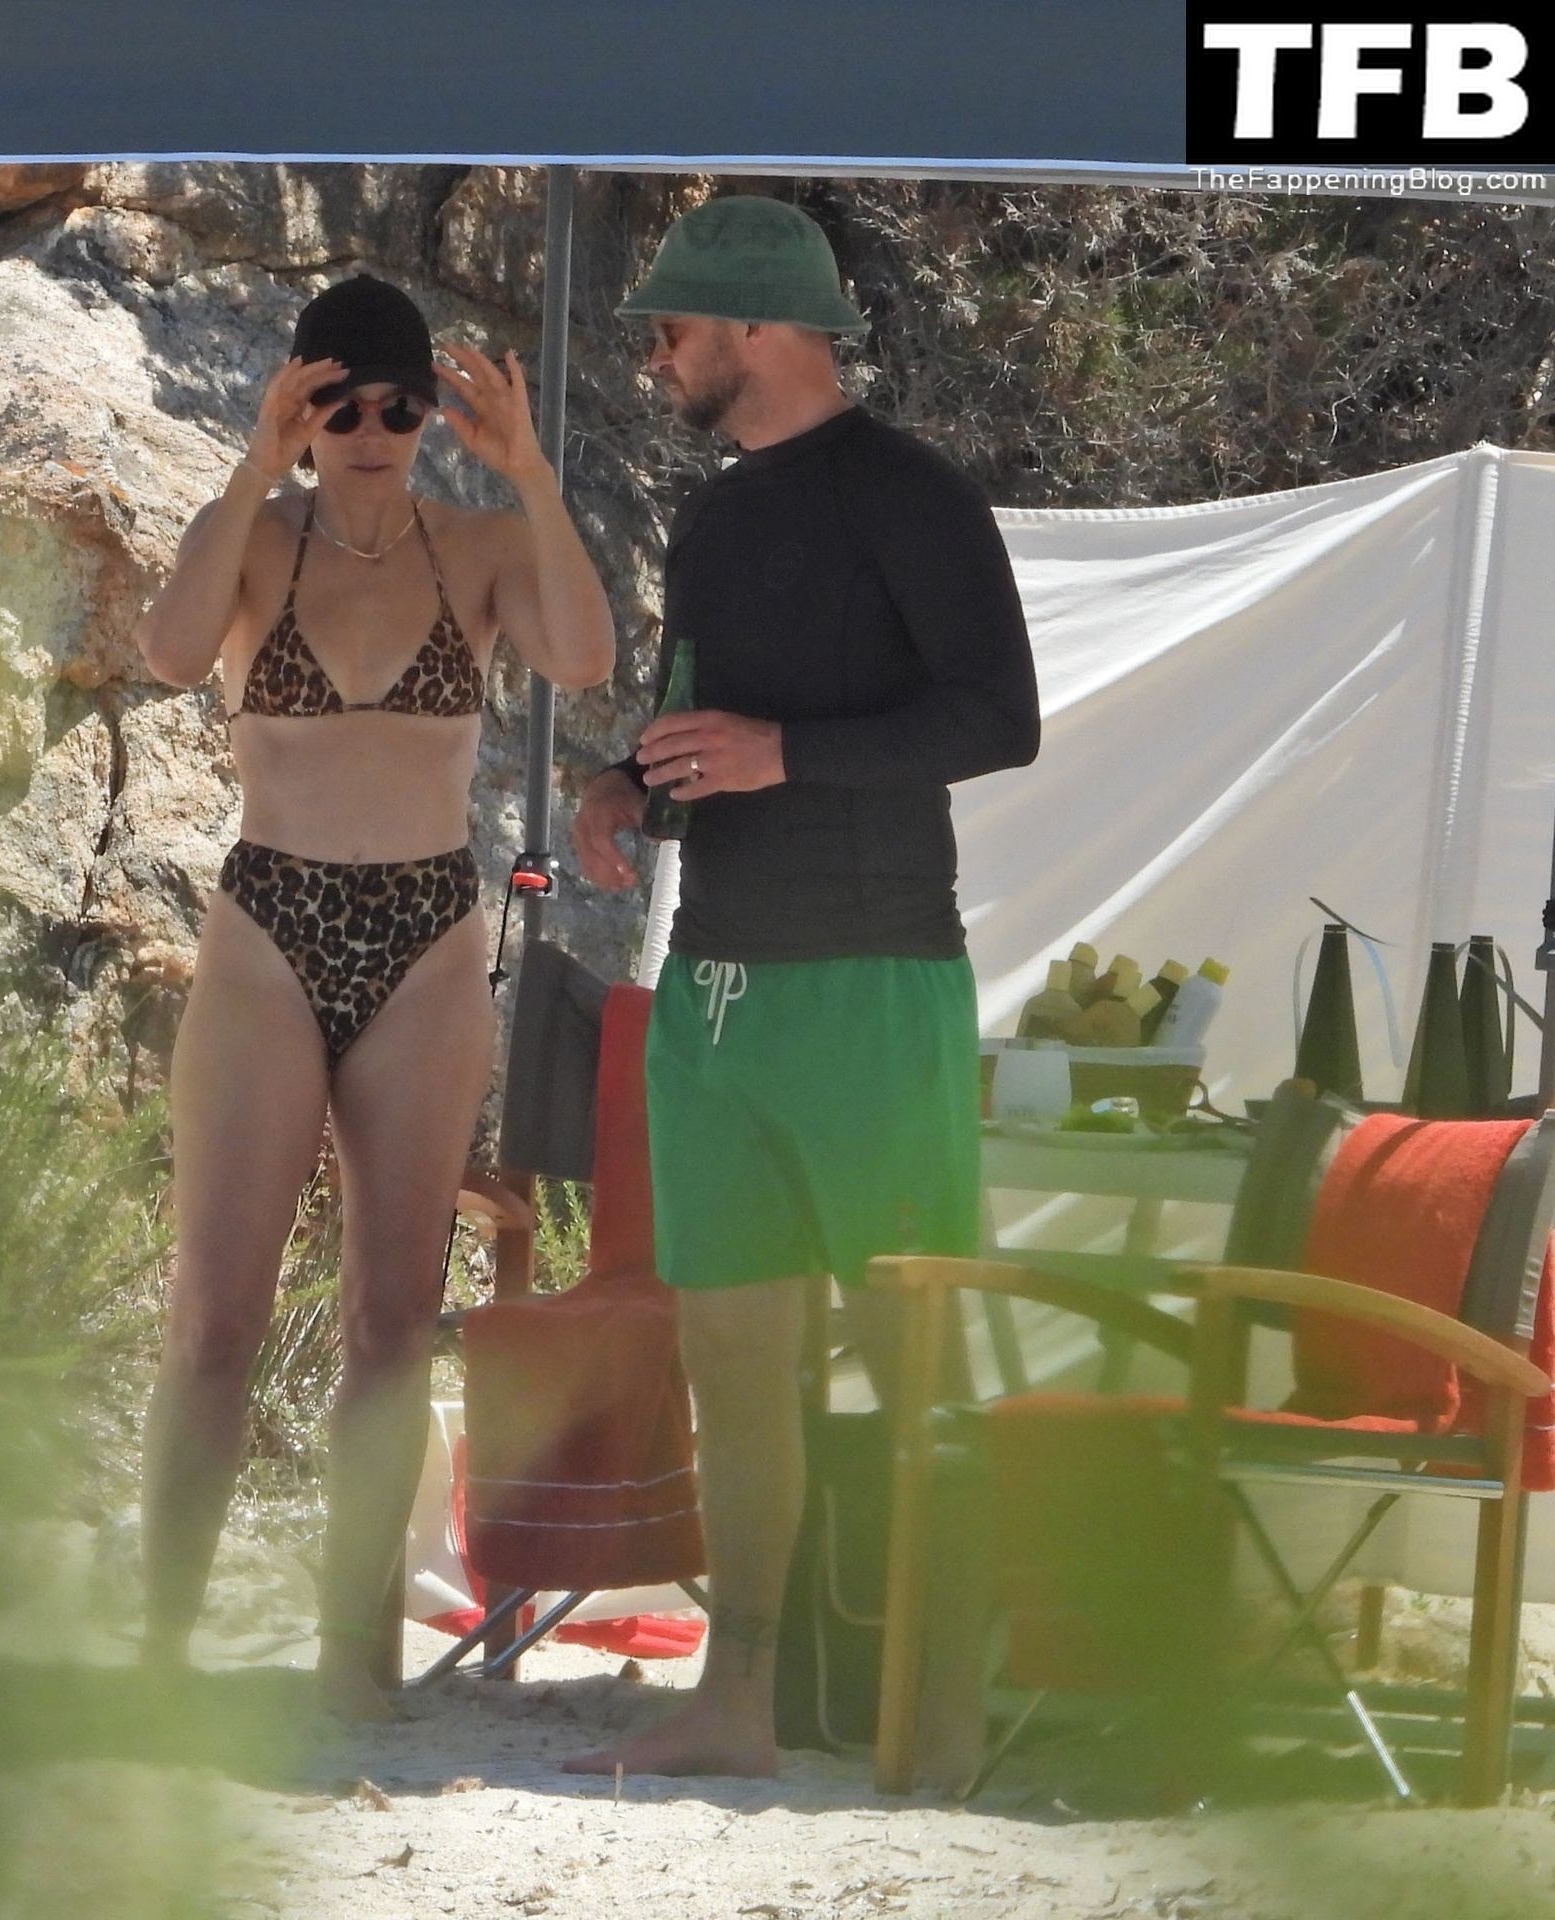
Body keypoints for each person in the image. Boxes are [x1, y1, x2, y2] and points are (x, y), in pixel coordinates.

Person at [567, 198, 1039, 1778]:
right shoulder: (712, 519)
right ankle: (741, 1703)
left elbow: (1000, 718)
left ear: (760, 328)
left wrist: (788, 755)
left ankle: (943, 1717)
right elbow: (696, 719)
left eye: (673, 331)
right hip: (714, 990)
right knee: (735, 1371)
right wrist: (626, 785)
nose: (656, 358)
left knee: (917, 1362)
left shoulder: (912, 494)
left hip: (874, 985)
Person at [132, 274, 615, 1719]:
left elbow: (586, 659)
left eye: (400, 409)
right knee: (216, 1320)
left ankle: (358, 1658)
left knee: (395, 1322)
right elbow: (168, 652)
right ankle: (158, 1657)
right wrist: (249, 466)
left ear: (430, 421)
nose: (369, 433)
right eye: (338, 405)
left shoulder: (479, 547)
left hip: (423, 937)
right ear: (300, 407)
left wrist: (532, 479)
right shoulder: (252, 539)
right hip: (269, 926)